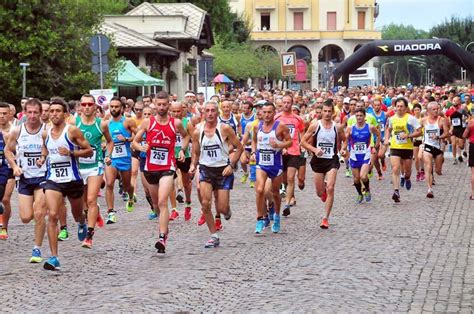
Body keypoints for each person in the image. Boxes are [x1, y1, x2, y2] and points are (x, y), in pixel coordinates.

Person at [38, 98, 93, 270]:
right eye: (51, 111)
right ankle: (54, 257)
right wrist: (42, 159)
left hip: (72, 180)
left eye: (57, 111)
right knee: (52, 215)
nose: (53, 114)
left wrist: (71, 152)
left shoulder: (72, 131)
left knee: (77, 215)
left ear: (65, 114)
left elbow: (89, 150)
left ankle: (82, 222)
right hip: (53, 180)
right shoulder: (46, 133)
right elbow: (45, 149)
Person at [132, 91, 190, 253]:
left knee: (164, 201)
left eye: (165, 104)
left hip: (167, 166)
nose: (162, 107)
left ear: (169, 106)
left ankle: (162, 237)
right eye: (159, 104)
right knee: (157, 205)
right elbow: (134, 142)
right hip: (150, 168)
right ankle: (163, 226)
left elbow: (186, 137)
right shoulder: (147, 123)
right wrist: (140, 147)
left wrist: (182, 150)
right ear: (155, 105)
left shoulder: (176, 123)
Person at [189, 100, 243, 248]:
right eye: (207, 111)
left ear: (217, 113)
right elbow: (195, 152)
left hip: (223, 171)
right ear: (203, 113)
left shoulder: (225, 129)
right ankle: (213, 235)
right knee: (205, 204)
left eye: (213, 110)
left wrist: (231, 165)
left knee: (222, 208)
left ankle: (227, 211)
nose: (210, 113)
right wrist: (193, 165)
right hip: (206, 169)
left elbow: (239, 148)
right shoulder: (197, 132)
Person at [70, 94, 113, 248]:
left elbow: (109, 141)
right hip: (78, 166)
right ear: (80, 106)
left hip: (96, 165)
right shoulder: (74, 122)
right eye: (84, 104)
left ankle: (89, 235)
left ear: (95, 106)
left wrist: (108, 155)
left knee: (91, 199)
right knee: (83, 202)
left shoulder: (102, 124)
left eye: (90, 104)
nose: (87, 107)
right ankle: (92, 215)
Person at [301, 100, 346, 229]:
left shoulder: (337, 127)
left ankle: (325, 218)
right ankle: (323, 193)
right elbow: (303, 142)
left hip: (332, 160)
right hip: (318, 161)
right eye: (324, 111)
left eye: (329, 111)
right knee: (320, 192)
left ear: (333, 113)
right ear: (321, 112)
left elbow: (345, 140)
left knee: (331, 187)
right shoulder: (315, 125)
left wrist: (343, 149)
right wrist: (315, 150)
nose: (326, 114)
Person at [251, 101, 291, 234]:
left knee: (274, 193)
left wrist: (279, 145)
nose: (267, 115)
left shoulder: (281, 127)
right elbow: (254, 141)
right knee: (260, 189)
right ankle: (260, 218)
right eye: (264, 112)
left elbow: (290, 142)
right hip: (261, 164)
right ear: (261, 113)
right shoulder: (257, 127)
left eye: (269, 112)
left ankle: (277, 216)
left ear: (274, 113)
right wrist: (253, 152)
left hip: (275, 164)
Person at [383, 97, 422, 203]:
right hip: (395, 147)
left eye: (401, 106)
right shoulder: (391, 119)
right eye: (397, 106)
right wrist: (386, 139)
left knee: (407, 171)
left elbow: (420, 132)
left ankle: (407, 178)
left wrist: (409, 135)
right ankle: (396, 191)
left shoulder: (411, 118)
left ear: (405, 108)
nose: (399, 108)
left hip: (407, 148)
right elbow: (388, 129)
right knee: (395, 168)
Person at [105, 97, 137, 223]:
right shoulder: (106, 123)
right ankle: (111, 212)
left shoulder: (128, 122)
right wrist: (104, 147)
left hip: (125, 158)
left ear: (122, 108)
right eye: (112, 106)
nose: (113, 109)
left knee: (127, 185)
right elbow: (105, 139)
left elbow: (138, 135)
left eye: (116, 106)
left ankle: (130, 196)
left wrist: (127, 139)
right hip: (111, 157)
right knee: (109, 183)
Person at [275, 95, 305, 216]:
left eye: (288, 102)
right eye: (284, 102)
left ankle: (287, 204)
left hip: (294, 151)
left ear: (292, 104)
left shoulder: (298, 119)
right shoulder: (277, 117)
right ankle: (284, 191)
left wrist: (302, 144)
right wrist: (280, 146)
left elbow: (301, 132)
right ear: (281, 104)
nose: (286, 104)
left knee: (291, 178)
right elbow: (274, 134)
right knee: (283, 178)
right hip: (280, 151)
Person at [343, 108, 380, 203]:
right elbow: (345, 140)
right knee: (356, 179)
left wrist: (375, 146)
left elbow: (378, 135)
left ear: (364, 116)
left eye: (361, 116)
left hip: (366, 155)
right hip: (354, 156)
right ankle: (359, 194)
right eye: (357, 116)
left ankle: (367, 189)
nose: (359, 117)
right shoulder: (350, 128)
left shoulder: (370, 127)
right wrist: (344, 149)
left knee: (363, 176)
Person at [169, 101, 194, 221]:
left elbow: (194, 139)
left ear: (182, 110)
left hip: (185, 155)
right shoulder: (167, 122)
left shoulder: (187, 123)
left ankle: (188, 203)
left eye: (178, 111)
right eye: (173, 111)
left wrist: (194, 160)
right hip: (170, 156)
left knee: (186, 182)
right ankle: (174, 209)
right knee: (169, 182)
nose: (176, 113)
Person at [420, 102, 449, 198]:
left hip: (438, 147)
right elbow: (417, 130)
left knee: (438, 171)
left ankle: (438, 167)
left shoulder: (442, 120)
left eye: (437, 109)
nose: (436, 111)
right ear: (428, 111)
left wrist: (438, 136)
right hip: (427, 146)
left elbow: (446, 133)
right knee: (428, 167)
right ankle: (429, 189)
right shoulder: (423, 120)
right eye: (434, 109)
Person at [0, 102, 13, 241]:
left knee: (5, 198)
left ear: (10, 114)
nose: (2, 116)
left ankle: (4, 227)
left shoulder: (14, 131)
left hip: (9, 169)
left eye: (4, 113)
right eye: (0, 113)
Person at [447, 96, 469, 164]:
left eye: (456, 101)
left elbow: (468, 116)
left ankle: (462, 149)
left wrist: (464, 119)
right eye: (453, 101)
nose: (455, 102)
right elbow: (446, 118)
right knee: (453, 144)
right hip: (453, 129)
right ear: (452, 101)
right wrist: (449, 127)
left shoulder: (461, 110)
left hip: (460, 129)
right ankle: (454, 159)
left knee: (461, 146)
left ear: (459, 102)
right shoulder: (450, 110)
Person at [463, 114, 474, 200]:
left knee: (473, 172)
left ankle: (473, 194)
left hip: (473, 146)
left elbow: (464, 135)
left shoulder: (471, 123)